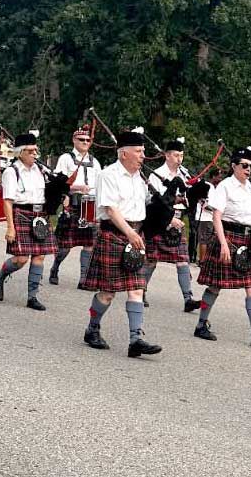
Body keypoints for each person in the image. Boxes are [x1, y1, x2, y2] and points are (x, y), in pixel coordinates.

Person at [79, 128, 162, 358]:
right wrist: (130, 234)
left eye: (143, 151)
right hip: (115, 235)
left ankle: (136, 339)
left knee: (137, 288)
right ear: (123, 153)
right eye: (138, 151)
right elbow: (110, 209)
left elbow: (145, 206)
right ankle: (92, 328)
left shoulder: (140, 178)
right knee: (107, 293)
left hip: (136, 235)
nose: (143, 155)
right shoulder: (108, 175)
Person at [194, 146, 251, 348]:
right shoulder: (225, 186)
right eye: (244, 165)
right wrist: (222, 243)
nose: (248, 169)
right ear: (234, 166)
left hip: (248, 241)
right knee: (215, 285)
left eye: (250, 166)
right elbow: (216, 216)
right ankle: (201, 324)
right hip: (228, 236)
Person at [0, 131, 58, 310]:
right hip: (22, 214)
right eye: (30, 151)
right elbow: (7, 201)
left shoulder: (41, 170)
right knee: (20, 259)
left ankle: (32, 297)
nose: (35, 154)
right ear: (20, 152)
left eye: (36, 150)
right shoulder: (12, 172)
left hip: (40, 216)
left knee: (39, 256)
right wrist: (10, 228)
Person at [141, 137, 201, 313]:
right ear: (167, 156)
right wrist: (168, 220)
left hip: (178, 219)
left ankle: (188, 298)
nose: (179, 159)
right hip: (160, 220)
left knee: (182, 261)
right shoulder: (157, 174)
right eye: (176, 155)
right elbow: (154, 201)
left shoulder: (184, 175)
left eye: (181, 155)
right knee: (151, 261)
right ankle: (141, 291)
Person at [48, 125, 102, 287]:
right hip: (72, 202)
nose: (85, 142)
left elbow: (100, 184)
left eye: (88, 140)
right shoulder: (66, 158)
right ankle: (55, 268)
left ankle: (83, 279)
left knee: (89, 243)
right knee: (66, 244)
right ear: (74, 140)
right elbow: (58, 183)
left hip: (90, 206)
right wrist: (77, 188)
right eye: (82, 140)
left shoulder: (95, 162)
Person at [193, 167, 223, 264]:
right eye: (219, 177)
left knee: (209, 241)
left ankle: (206, 260)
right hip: (204, 218)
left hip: (211, 219)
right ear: (213, 176)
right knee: (204, 240)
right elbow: (205, 205)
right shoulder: (206, 186)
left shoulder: (214, 188)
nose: (220, 179)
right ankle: (202, 261)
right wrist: (217, 211)